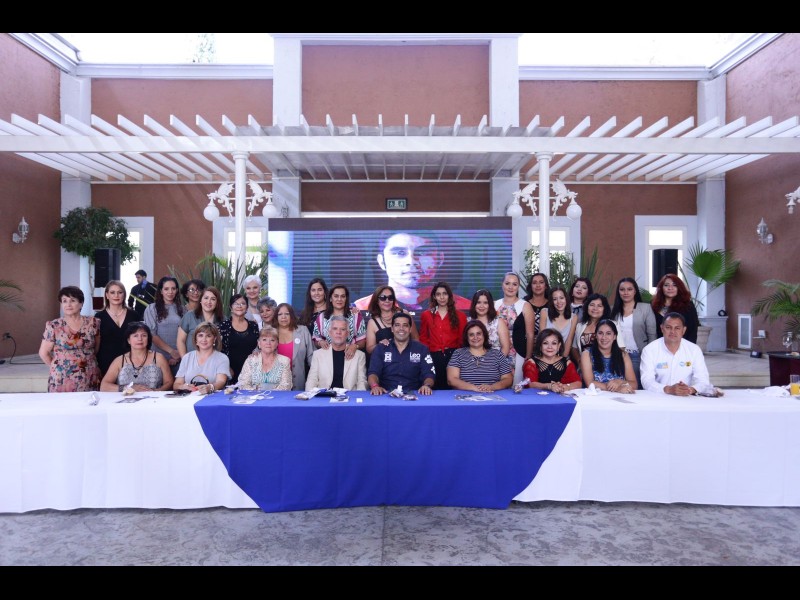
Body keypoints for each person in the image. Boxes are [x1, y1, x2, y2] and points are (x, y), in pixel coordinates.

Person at [353, 230, 471, 314]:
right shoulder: (360, 308)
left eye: (423, 252)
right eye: (399, 253)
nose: (411, 261)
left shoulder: (465, 307)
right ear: (382, 262)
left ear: (440, 259)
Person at [38, 285, 102, 393]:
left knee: (89, 402)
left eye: (72, 300)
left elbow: (96, 348)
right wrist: (58, 367)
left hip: (89, 374)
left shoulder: (93, 323)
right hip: (61, 377)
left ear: (81, 303)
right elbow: (43, 353)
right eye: (64, 301)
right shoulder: (54, 325)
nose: (68, 304)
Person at [640, 312, 711, 395]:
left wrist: (689, 390)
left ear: (683, 330)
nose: (672, 331)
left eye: (677, 328)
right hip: (659, 397)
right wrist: (668, 389)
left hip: (687, 397)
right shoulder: (649, 350)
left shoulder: (694, 350)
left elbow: (703, 380)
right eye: (668, 327)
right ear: (662, 328)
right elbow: (647, 381)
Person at [367, 312, 436, 395]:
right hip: (385, 394)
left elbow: (429, 374)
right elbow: (373, 373)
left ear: (410, 329)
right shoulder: (381, 348)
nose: (401, 328)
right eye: (397, 325)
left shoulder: (421, 349)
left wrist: (426, 386)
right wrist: (375, 386)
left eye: (405, 325)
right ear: (392, 329)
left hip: (415, 395)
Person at [610, 277, 657, 389]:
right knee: (617, 387)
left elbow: (652, 335)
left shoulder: (645, 308)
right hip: (617, 355)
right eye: (622, 289)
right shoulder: (613, 310)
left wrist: (650, 356)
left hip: (638, 355)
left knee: (635, 388)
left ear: (635, 291)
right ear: (618, 292)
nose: (626, 292)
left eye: (629, 289)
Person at [419, 282, 467, 390]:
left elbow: (462, 340)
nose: (442, 297)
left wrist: (459, 358)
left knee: (453, 388)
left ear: (449, 296)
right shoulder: (426, 315)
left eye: (444, 294)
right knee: (435, 388)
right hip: (433, 356)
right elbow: (423, 338)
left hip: (453, 357)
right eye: (438, 294)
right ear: (434, 297)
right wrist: (427, 356)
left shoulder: (460, 316)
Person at [100, 322, 173, 392]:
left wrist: (155, 391)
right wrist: (128, 388)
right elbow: (104, 386)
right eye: (135, 336)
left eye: (144, 335)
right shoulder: (119, 361)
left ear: (148, 339)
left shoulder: (159, 358)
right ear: (128, 340)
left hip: (153, 398)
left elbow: (169, 382)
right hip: (125, 399)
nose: (140, 339)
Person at [446, 320, 513, 392]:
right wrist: (475, 388)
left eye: (478, 334)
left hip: (492, 395)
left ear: (484, 335)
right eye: (471, 335)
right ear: (466, 337)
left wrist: (492, 387)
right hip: (465, 396)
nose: (475, 337)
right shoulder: (458, 354)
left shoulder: (497, 354)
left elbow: (508, 379)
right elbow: (451, 380)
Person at [306, 315, 367, 391]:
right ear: (329, 332)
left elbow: (362, 382)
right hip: (324, 397)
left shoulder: (359, 356)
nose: (338, 332)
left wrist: (359, 398)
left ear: (348, 333)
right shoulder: (318, 355)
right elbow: (311, 381)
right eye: (335, 329)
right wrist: (310, 397)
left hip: (350, 397)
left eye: (343, 329)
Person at [494, 272, 535, 385]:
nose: (511, 287)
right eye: (507, 283)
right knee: (496, 385)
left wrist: (528, 357)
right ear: (502, 284)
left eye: (514, 284)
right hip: (496, 351)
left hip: (518, 352)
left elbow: (530, 334)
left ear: (518, 286)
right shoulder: (495, 305)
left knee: (516, 386)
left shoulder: (525, 305)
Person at [580, 319, 637, 393]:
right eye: (600, 333)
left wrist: (620, 382)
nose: (604, 337)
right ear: (596, 336)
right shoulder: (587, 355)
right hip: (596, 396)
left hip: (620, 397)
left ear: (614, 336)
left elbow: (634, 384)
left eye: (608, 333)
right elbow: (590, 383)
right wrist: (617, 389)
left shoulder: (623, 355)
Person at [95, 280, 138, 376]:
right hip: (105, 363)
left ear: (124, 295)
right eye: (112, 292)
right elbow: (96, 344)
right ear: (107, 295)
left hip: (130, 362)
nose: (116, 295)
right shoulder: (99, 317)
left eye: (120, 292)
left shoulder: (134, 315)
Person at [173, 322, 230, 395]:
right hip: (188, 398)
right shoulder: (187, 357)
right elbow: (176, 384)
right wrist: (183, 387)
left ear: (214, 339)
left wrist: (210, 387)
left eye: (208, 336)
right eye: (200, 335)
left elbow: (221, 382)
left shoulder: (222, 358)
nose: (204, 339)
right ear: (196, 339)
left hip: (213, 398)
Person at [143, 276, 184, 375]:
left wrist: (178, 354)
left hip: (179, 357)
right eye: (166, 289)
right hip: (158, 357)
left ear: (177, 290)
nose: (170, 292)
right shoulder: (152, 309)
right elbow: (152, 334)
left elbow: (185, 334)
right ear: (161, 291)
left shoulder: (182, 309)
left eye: (173, 288)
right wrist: (171, 352)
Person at [364, 285, 419, 357]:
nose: (387, 301)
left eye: (390, 297)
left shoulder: (404, 314)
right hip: (384, 360)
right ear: (377, 301)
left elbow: (415, 338)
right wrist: (379, 345)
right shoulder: (373, 322)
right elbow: (369, 349)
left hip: (406, 356)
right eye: (383, 298)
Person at [312, 284, 366, 357]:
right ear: (330, 299)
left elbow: (362, 341)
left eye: (343, 296)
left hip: (350, 357)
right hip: (327, 358)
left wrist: (355, 346)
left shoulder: (356, 316)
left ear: (346, 299)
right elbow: (315, 340)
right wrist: (320, 342)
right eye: (336, 296)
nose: (339, 299)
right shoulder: (321, 317)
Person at [522, 328, 582, 393]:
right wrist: (549, 386)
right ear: (540, 346)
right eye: (545, 343)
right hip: (537, 397)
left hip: (561, 397)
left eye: (554, 343)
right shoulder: (531, 363)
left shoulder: (567, 363)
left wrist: (566, 387)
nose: (550, 347)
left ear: (559, 346)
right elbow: (529, 384)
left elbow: (578, 383)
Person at [218, 293, 259, 382]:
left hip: (252, 371)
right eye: (235, 303)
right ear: (230, 307)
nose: (239, 306)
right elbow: (218, 350)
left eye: (243, 303)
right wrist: (226, 368)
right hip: (230, 371)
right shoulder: (223, 326)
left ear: (247, 307)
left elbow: (258, 347)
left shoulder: (253, 326)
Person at [238, 326, 293, 391]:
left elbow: (286, 386)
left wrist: (269, 395)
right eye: (264, 340)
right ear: (259, 343)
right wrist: (257, 394)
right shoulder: (250, 360)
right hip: (253, 396)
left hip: (277, 397)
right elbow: (243, 384)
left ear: (277, 343)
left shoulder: (284, 361)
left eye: (272, 340)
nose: (268, 343)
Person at [274, 302, 315, 390]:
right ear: (276, 317)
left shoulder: (303, 330)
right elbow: (259, 351)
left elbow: (311, 356)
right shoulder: (271, 332)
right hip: (276, 385)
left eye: (287, 314)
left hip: (298, 383)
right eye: (280, 314)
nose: (283, 317)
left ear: (292, 315)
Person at [651, 274, 700, 344]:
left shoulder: (688, 305)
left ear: (679, 288)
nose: (670, 288)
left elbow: (692, 330)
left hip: (681, 345)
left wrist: (689, 347)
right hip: (658, 345)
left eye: (674, 285)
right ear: (661, 288)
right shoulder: (653, 305)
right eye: (666, 285)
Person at [177, 286, 223, 356]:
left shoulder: (223, 320)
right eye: (206, 298)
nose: (209, 302)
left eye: (213, 299)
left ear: (217, 303)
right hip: (191, 361)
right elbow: (180, 341)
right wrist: (185, 360)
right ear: (201, 300)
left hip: (214, 361)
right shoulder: (189, 316)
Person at [571, 293, 611, 366]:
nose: (595, 308)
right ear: (587, 307)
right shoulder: (580, 326)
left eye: (599, 306)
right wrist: (580, 362)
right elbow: (574, 348)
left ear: (604, 309)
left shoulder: (612, 325)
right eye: (592, 305)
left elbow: (621, 347)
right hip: (584, 366)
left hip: (607, 366)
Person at [468, 288, 510, 358]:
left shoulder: (498, 322)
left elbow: (505, 348)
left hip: (496, 362)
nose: (482, 306)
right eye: (478, 302)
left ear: (490, 305)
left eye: (485, 303)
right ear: (474, 304)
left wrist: (496, 363)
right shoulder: (468, 322)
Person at [539, 285, 577, 358]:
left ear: (566, 299)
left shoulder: (573, 317)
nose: (559, 302)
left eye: (561, 298)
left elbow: (569, 340)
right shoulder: (544, 312)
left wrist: (562, 359)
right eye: (555, 299)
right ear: (552, 301)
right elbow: (542, 338)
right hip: (545, 356)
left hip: (563, 357)